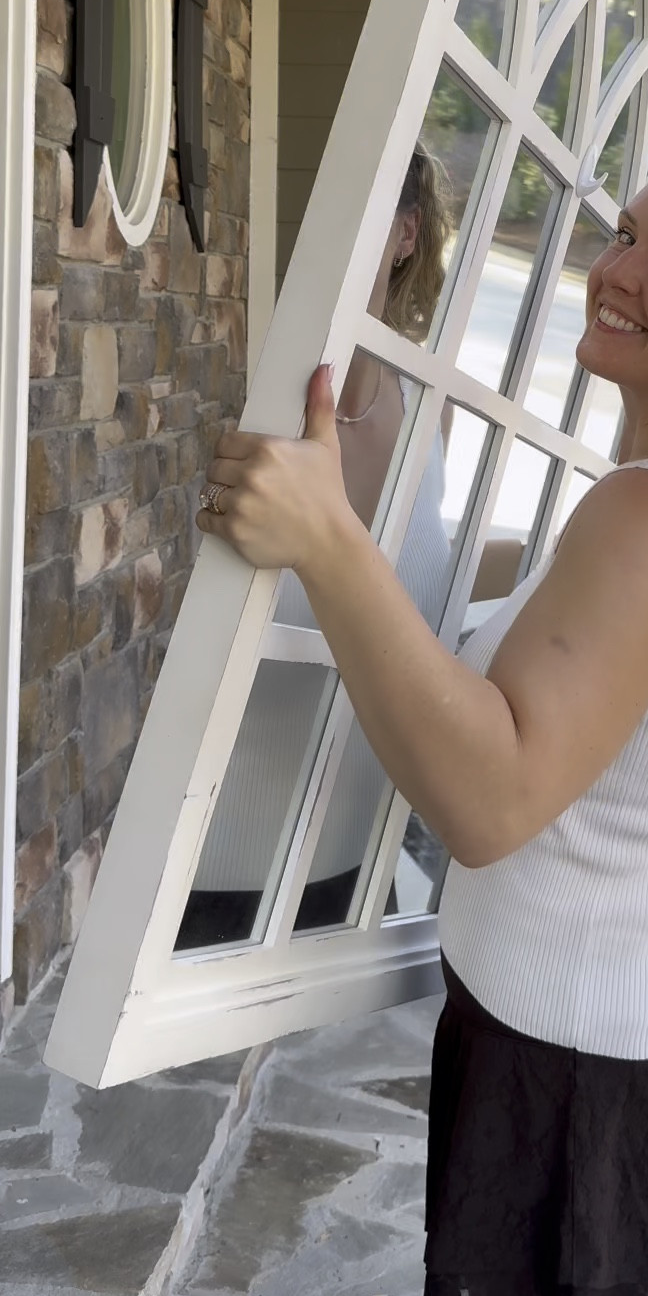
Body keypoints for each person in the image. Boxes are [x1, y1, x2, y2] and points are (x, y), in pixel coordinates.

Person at [196, 132, 648, 1296]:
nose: (617, 271)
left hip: (589, 1083)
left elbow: (493, 800)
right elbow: (594, 634)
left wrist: (327, 543)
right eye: (625, 235)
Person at [179, 146, 454, 948]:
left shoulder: (435, 411)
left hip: (358, 861)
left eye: (364, 214)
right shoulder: (257, 397)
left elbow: (428, 585)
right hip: (212, 869)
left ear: (406, 235)